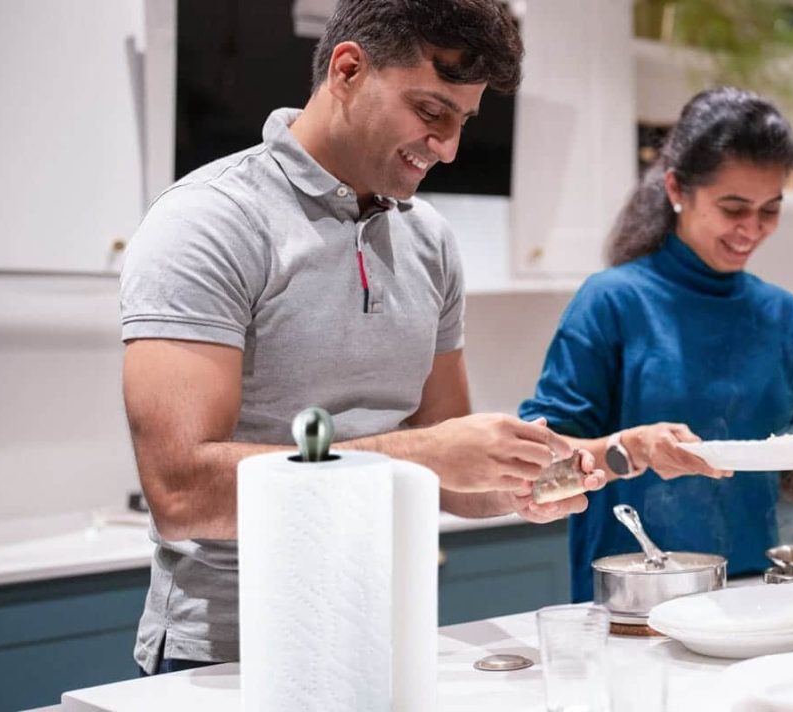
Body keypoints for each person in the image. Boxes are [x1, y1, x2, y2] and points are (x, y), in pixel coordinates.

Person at [120, 0, 603, 676]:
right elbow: (179, 493)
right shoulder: (209, 222)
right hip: (231, 658)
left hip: (389, 637)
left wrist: (519, 481)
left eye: (462, 122)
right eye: (432, 112)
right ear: (348, 69)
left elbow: (449, 474)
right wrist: (424, 456)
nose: (449, 147)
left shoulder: (429, 240)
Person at [519, 87, 793, 602]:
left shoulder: (782, 316)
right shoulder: (610, 303)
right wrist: (631, 450)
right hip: (635, 607)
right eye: (733, 207)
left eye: (770, 210)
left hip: (755, 597)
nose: (752, 229)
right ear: (676, 189)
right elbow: (541, 472)